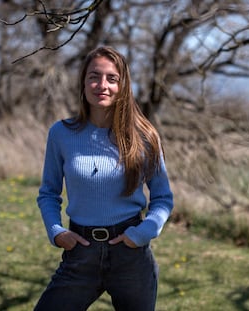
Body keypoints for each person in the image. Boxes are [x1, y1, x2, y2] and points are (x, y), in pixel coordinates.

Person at [34, 46, 174, 311]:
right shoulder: (61, 133)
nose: (102, 85)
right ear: (83, 83)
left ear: (123, 86)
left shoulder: (145, 136)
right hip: (80, 253)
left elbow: (163, 198)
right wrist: (57, 232)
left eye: (112, 78)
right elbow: (49, 193)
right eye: (94, 77)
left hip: (130, 255)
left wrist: (143, 233)